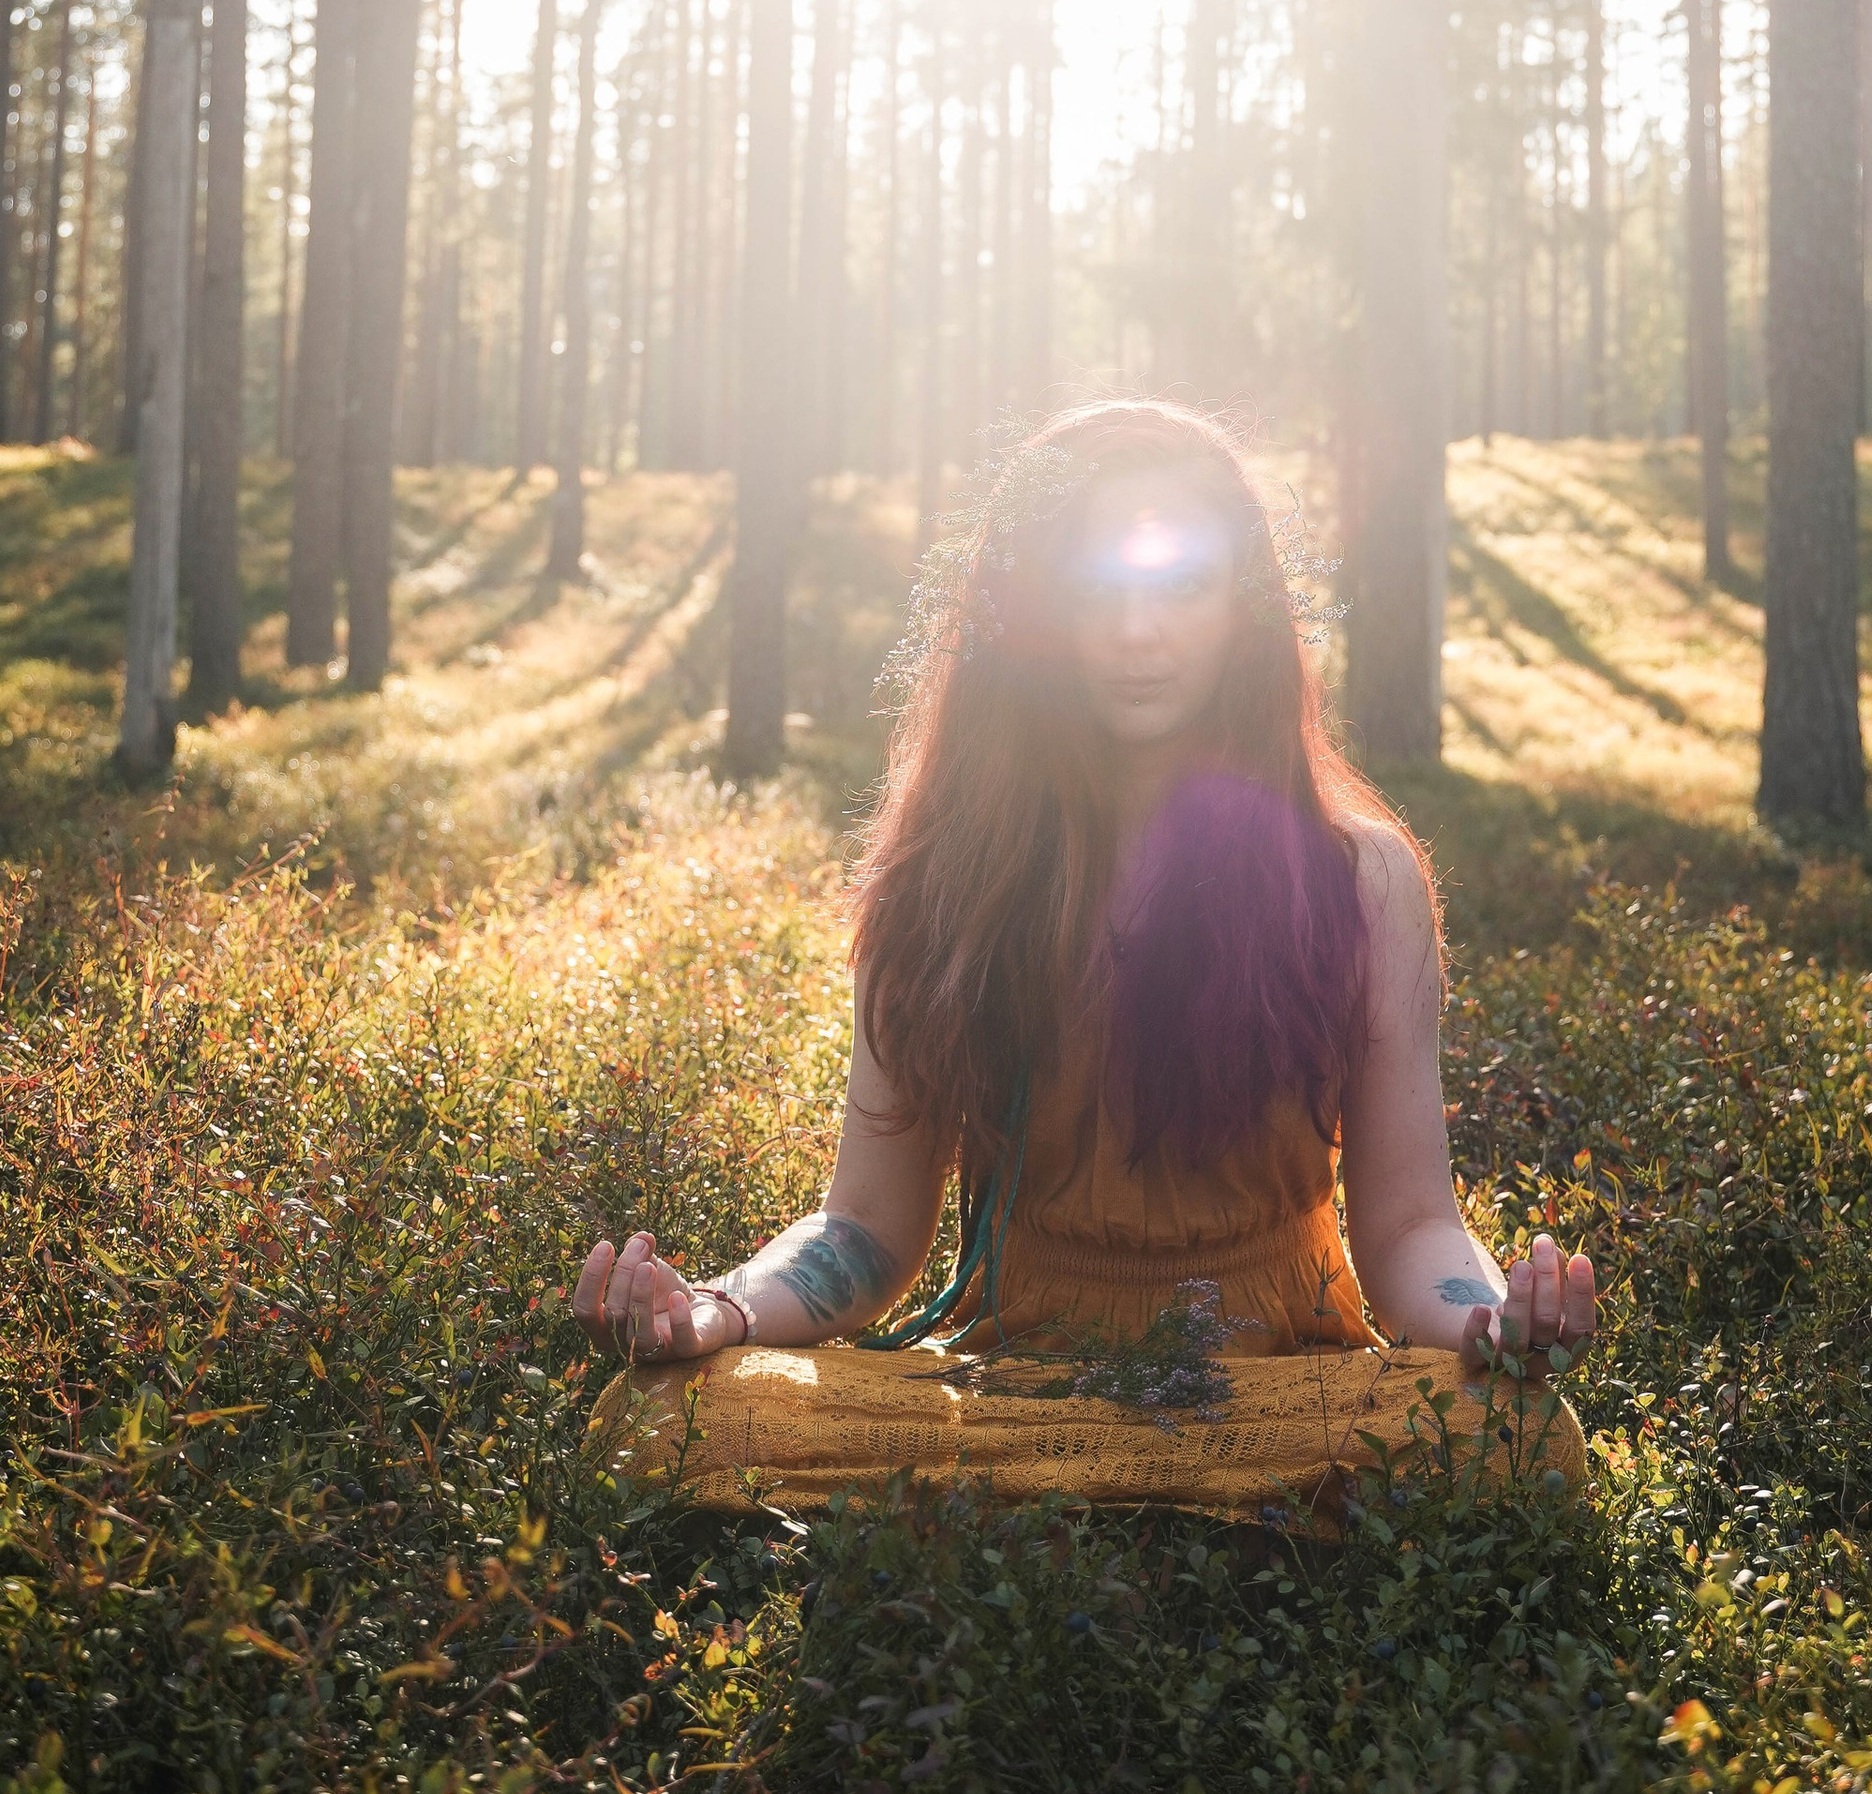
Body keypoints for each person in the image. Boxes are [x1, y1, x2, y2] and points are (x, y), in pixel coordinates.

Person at [571, 402, 1596, 1516]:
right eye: (1095, 588)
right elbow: (864, 1230)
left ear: (1244, 606)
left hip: (1275, 1389)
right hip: (1007, 1384)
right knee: (657, 1418)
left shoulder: (1362, 877)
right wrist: (720, 1308)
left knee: (1520, 1437)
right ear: (1031, 612)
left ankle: (1054, 1523)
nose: (1138, 632)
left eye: (1182, 586)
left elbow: (1407, 1229)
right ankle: (1189, 1524)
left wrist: (1484, 1321)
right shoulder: (944, 872)